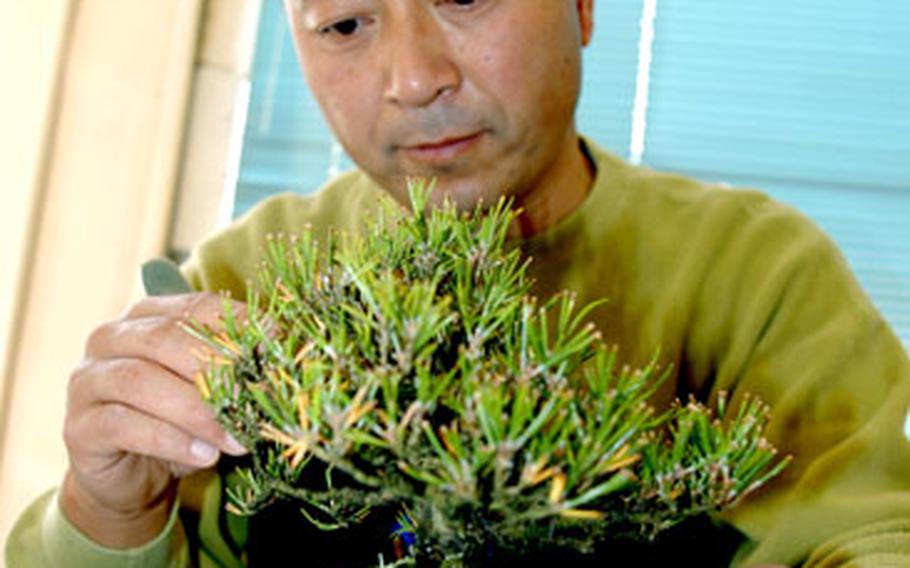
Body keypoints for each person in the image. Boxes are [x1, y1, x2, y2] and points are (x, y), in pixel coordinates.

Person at [7, 1, 910, 566]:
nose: (413, 79)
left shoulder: (759, 278)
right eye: (345, 26)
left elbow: (861, 538)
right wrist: (110, 511)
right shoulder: (244, 285)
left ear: (585, 7)